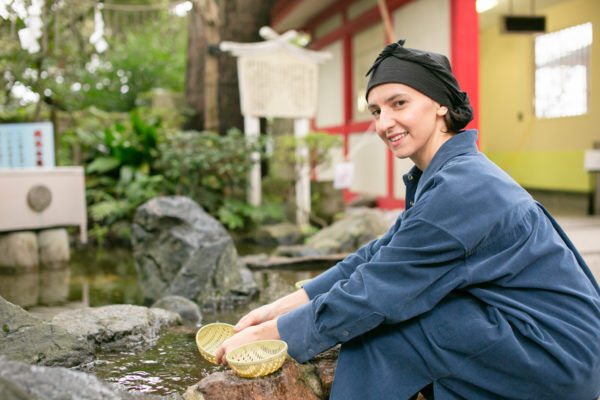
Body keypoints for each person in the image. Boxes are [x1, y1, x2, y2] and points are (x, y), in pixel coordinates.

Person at [215, 40, 600, 399]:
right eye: (377, 111)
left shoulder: (464, 187)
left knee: (385, 331)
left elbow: (375, 292)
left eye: (399, 103)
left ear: (440, 105)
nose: (384, 123)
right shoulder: (449, 173)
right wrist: (276, 309)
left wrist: (270, 337)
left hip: (555, 352)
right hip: (543, 339)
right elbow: (375, 257)